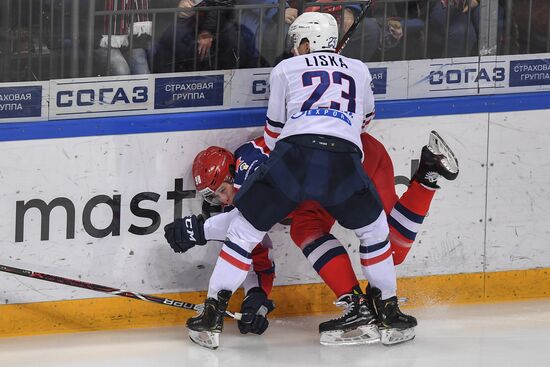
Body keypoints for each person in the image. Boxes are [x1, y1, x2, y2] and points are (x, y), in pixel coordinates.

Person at [182, 10, 416, 349]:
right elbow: (365, 120)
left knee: (244, 231)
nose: (295, 50)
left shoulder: (285, 69)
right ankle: (387, 313)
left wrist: (292, 165)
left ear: (307, 42)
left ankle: (211, 317)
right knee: (375, 231)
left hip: (294, 155)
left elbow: (274, 130)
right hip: (344, 158)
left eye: (297, 43)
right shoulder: (359, 69)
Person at [164, 129, 459, 346]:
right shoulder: (244, 178)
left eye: (223, 191)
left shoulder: (248, 166)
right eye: (216, 197)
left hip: (348, 165)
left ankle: (358, 306)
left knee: (306, 228)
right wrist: (258, 298)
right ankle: (429, 175)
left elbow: (238, 224)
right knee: (389, 250)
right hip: (357, 157)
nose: (224, 200)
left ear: (233, 171)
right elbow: (254, 250)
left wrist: (198, 230)